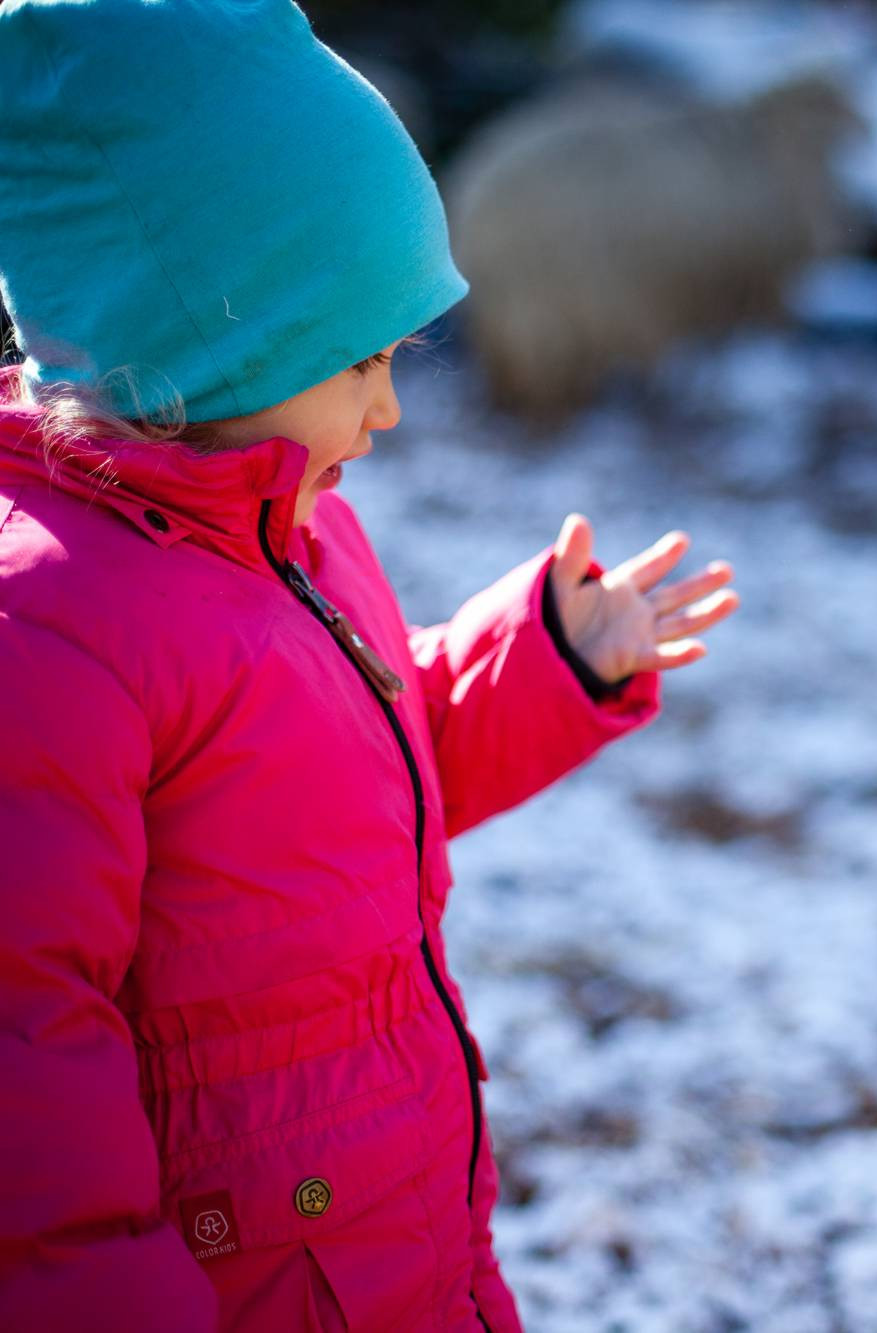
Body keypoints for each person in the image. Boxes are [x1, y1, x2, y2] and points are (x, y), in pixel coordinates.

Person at [0, 2, 739, 1326]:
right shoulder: (49, 635)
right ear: (220, 341)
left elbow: (335, 794)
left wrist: (542, 660)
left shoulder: (296, 529)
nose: (390, 408)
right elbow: (25, 1108)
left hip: (410, 1248)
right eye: (361, 361)